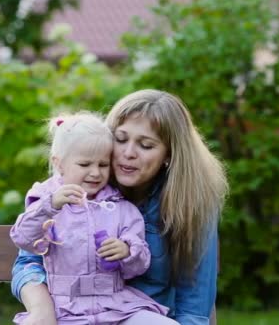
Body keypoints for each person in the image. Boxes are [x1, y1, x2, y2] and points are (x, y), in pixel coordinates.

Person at [11, 90, 228, 325]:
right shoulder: (73, 190)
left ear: (170, 155)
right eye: (121, 139)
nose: (128, 153)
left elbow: (194, 304)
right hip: (70, 314)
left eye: (145, 145)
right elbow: (29, 259)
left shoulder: (190, 201)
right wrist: (42, 309)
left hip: (140, 315)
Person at [10, 111, 176, 325]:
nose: (95, 173)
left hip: (116, 307)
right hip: (63, 310)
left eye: (103, 164)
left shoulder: (121, 209)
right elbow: (23, 238)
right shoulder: (46, 203)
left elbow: (139, 265)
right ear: (59, 164)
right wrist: (49, 206)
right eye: (85, 164)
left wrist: (127, 251)